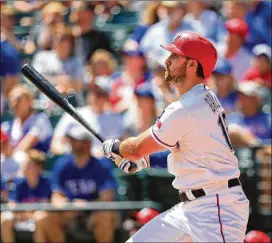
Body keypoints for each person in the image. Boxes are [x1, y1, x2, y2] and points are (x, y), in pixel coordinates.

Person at [102, 32, 249, 242]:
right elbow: (187, 152)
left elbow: (134, 148)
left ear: (191, 65)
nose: (167, 61)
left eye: (175, 56)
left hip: (216, 208)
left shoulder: (186, 107)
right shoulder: (203, 97)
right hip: (193, 206)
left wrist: (115, 147)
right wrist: (146, 161)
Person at [35, 125, 118, 243]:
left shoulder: (101, 166)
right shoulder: (62, 164)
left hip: (94, 213)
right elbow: (56, 197)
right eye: (71, 140)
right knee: (43, 217)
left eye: (76, 140)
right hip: (70, 213)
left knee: (105, 215)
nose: (72, 143)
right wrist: (69, 207)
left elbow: (107, 197)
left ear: (87, 144)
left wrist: (87, 206)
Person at [1, 149, 52, 243]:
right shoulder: (18, 182)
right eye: (24, 164)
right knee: (5, 217)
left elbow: (45, 206)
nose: (24, 167)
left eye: (28, 164)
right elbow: (11, 204)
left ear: (38, 167)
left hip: (38, 217)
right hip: (21, 217)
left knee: (40, 217)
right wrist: (22, 213)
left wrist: (30, 214)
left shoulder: (47, 182)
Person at [1, 85, 53, 153]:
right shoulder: (7, 126)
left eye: (18, 100)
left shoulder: (40, 120)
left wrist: (11, 157)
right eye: (12, 101)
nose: (14, 104)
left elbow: (29, 141)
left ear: (29, 102)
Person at [228, 81, 271, 148]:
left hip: (263, 156)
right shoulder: (232, 119)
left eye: (245, 96)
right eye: (240, 96)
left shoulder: (268, 119)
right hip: (238, 156)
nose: (241, 99)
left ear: (257, 99)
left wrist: (256, 142)